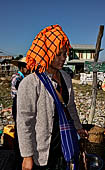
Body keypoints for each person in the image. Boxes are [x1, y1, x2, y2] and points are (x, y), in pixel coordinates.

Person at [17, 24, 88, 170]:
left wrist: (78, 127)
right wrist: (27, 156)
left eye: (65, 54)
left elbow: (70, 106)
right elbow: (24, 121)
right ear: (46, 54)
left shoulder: (66, 78)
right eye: (59, 54)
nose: (64, 58)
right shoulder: (30, 83)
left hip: (65, 147)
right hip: (43, 152)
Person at [11, 57, 28, 170]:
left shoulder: (22, 78)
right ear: (22, 67)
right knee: (20, 129)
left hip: (19, 104)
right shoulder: (17, 78)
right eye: (27, 66)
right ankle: (18, 156)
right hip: (17, 105)